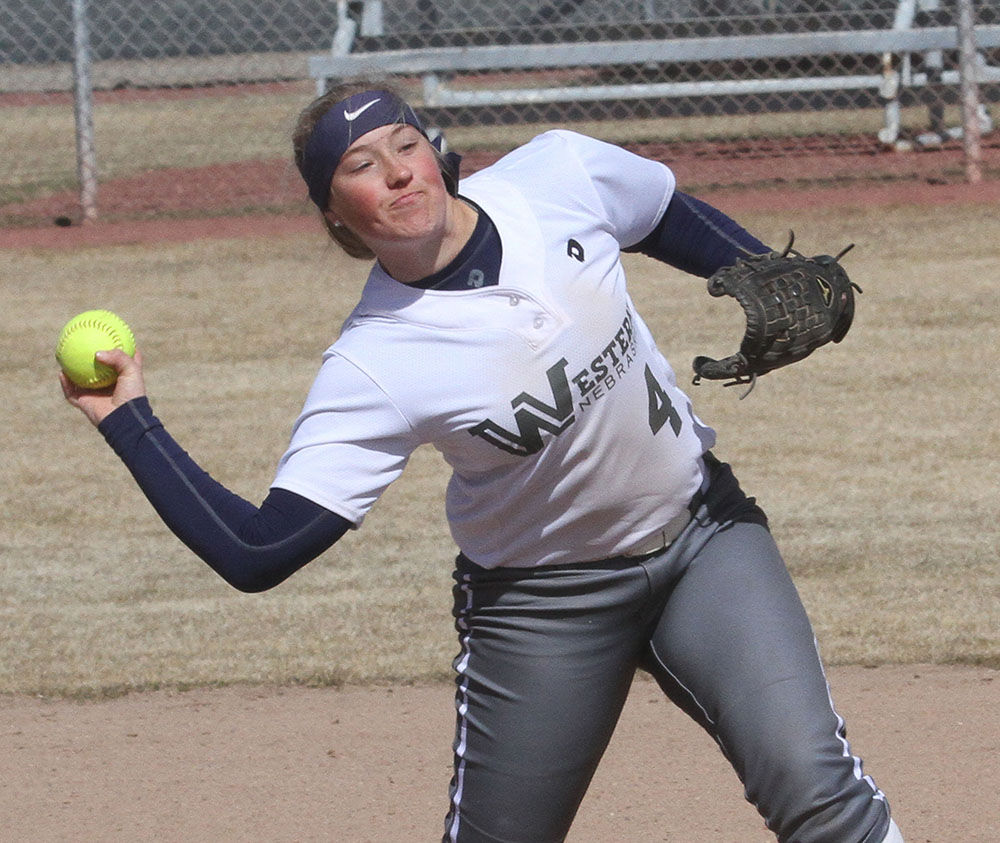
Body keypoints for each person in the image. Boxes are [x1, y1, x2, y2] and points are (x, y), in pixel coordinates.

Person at [61, 82, 905, 843]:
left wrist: (755, 269)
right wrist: (128, 418)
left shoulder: (558, 176)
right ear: (335, 215)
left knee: (818, 790)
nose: (395, 171)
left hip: (704, 539)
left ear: (436, 151)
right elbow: (255, 550)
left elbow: (659, 211)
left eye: (403, 143)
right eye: (360, 164)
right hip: (544, 606)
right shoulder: (377, 363)